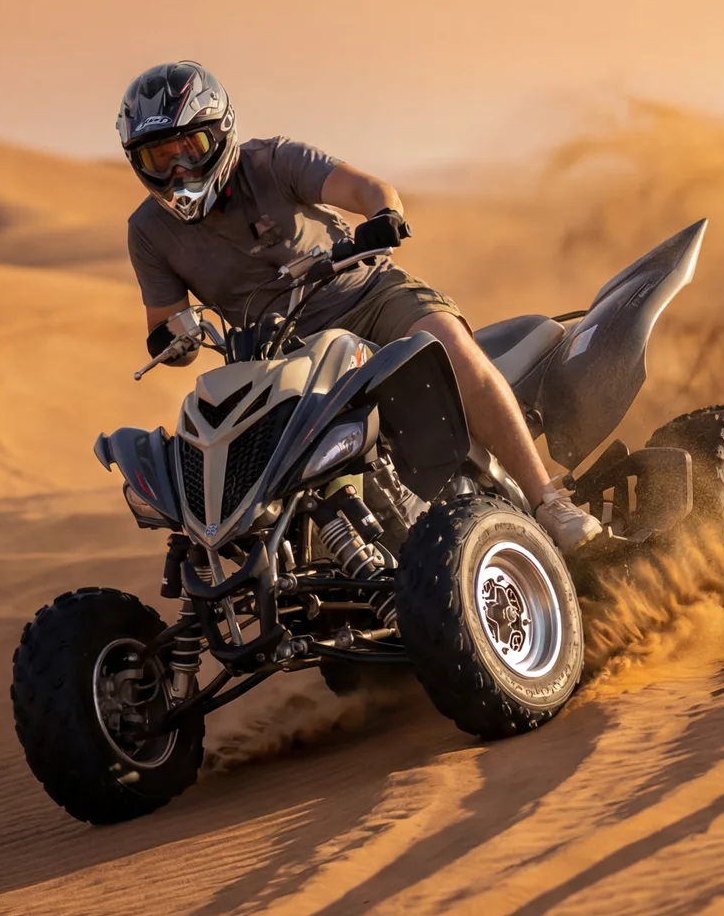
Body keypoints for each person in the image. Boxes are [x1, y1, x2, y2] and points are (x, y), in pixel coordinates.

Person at [118, 60, 602, 551]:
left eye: (190, 148)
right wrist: (174, 343)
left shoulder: (274, 162)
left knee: (447, 347)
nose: (178, 170)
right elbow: (166, 326)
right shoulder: (148, 232)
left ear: (221, 133)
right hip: (280, 356)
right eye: (160, 158)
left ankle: (548, 501)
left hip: (367, 296)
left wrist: (383, 215)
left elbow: (369, 189)